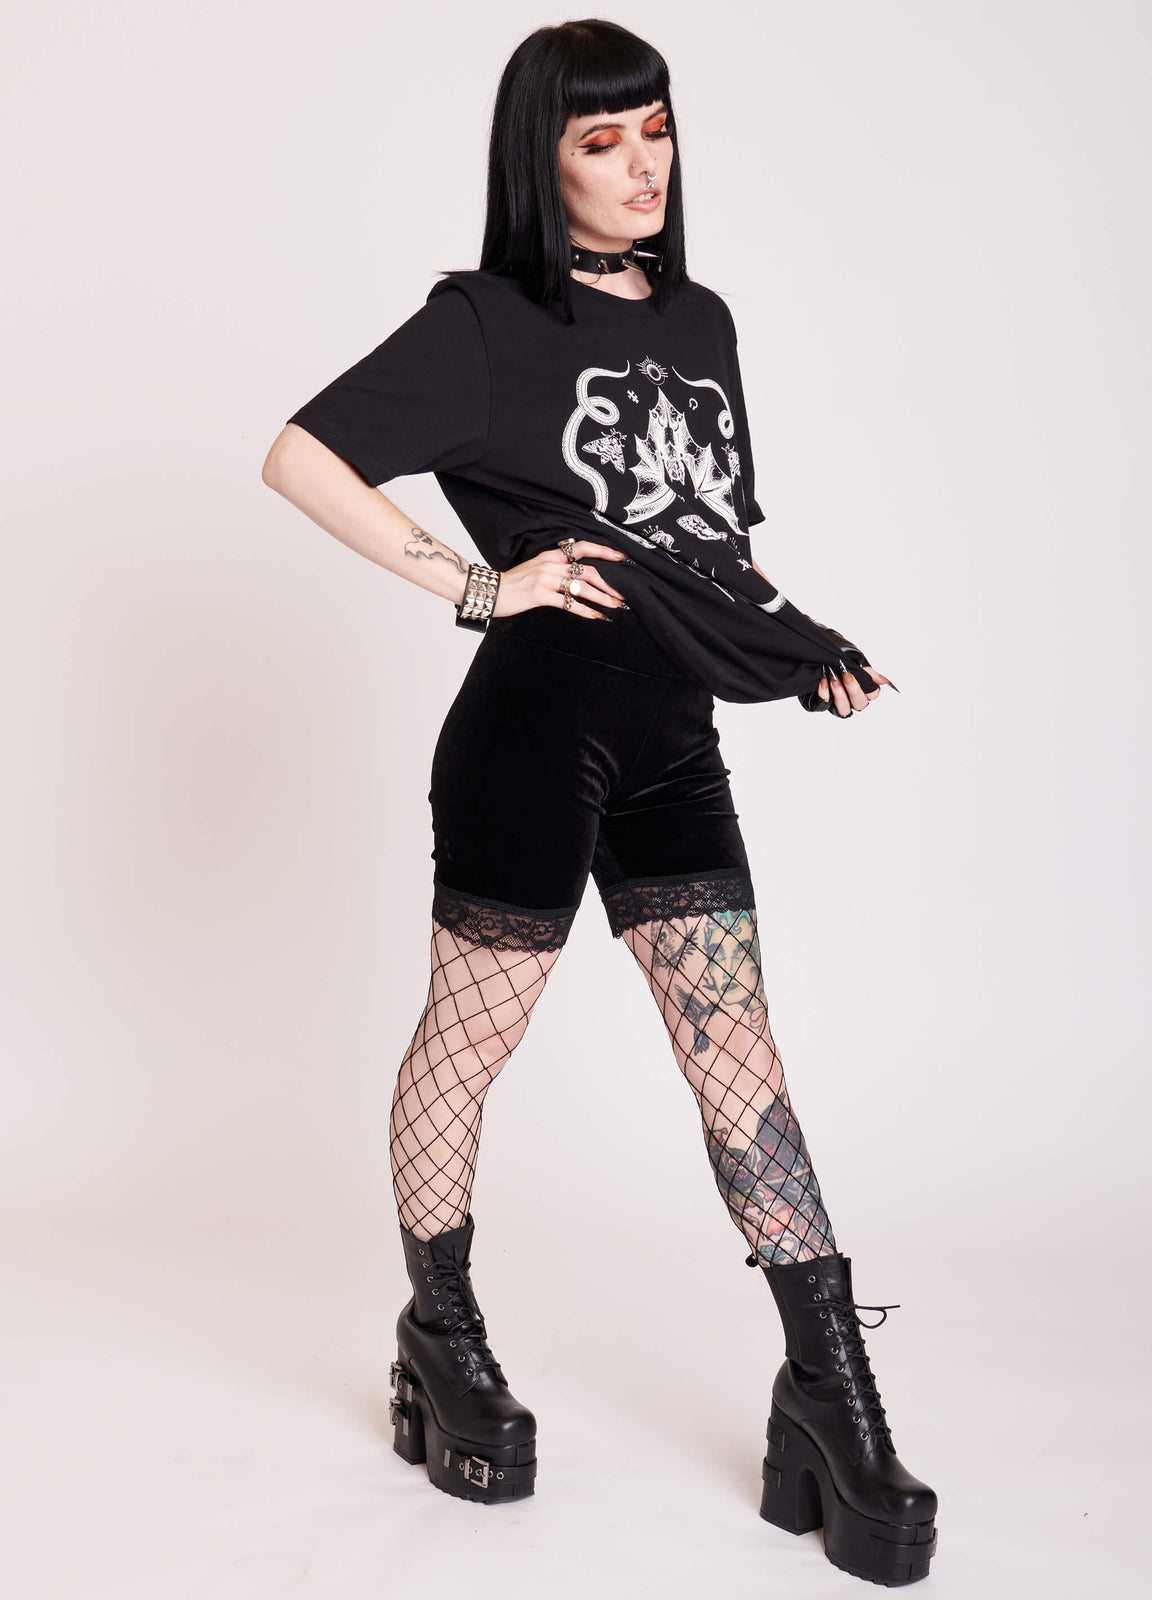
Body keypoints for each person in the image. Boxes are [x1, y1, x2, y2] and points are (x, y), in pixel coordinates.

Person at [262, 18, 937, 1587]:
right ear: (540, 159)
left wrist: (803, 648)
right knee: (470, 1046)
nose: (643, 166)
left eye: (657, 130)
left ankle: (831, 1393)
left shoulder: (701, 320)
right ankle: (443, 1333)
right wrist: (476, 585)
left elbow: (701, 550)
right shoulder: (486, 322)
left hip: (669, 736)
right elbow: (301, 454)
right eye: (601, 141)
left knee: (741, 1061)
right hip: (534, 728)